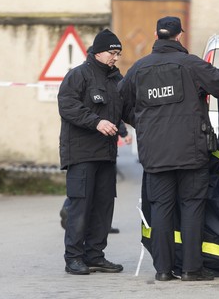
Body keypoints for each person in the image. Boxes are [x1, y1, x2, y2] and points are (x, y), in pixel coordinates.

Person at [118, 16, 219, 282]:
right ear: (178, 36)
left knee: (161, 209)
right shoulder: (190, 64)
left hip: (155, 154)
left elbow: (119, 102)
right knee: (192, 207)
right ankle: (191, 269)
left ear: (156, 34)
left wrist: (142, 122)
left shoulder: (138, 69)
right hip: (191, 152)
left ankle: (163, 270)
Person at [58, 29, 126, 275]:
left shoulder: (116, 80)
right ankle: (73, 258)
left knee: (103, 208)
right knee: (80, 208)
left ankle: (95, 255)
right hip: (82, 154)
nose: (115, 57)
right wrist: (96, 122)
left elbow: (127, 110)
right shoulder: (78, 76)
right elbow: (67, 105)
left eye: (118, 53)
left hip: (106, 155)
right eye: (112, 52)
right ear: (98, 52)